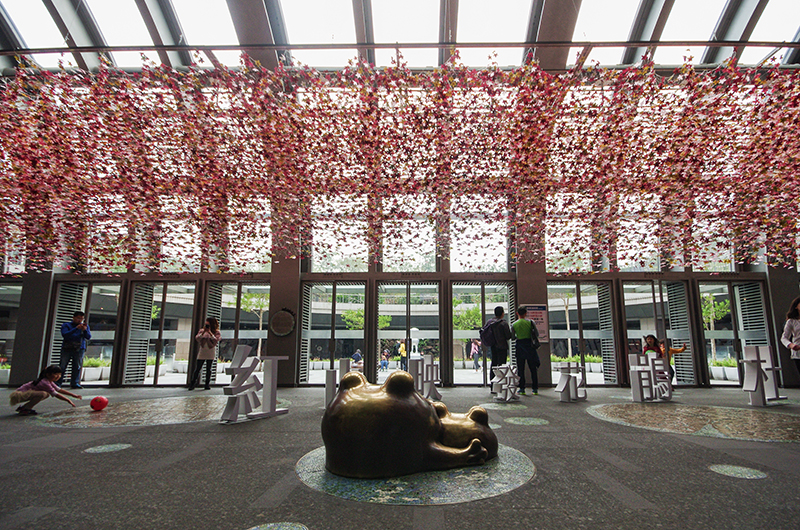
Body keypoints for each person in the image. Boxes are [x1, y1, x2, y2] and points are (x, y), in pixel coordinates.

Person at [9, 365, 82, 415]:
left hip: (23, 394)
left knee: (46, 394)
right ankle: (25, 409)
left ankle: (25, 408)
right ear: (48, 374)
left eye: (59, 374)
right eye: (56, 374)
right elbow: (56, 394)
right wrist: (68, 400)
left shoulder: (48, 381)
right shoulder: (44, 383)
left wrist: (74, 395)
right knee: (44, 394)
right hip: (18, 395)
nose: (58, 376)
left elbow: (59, 390)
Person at [512, 306, 541, 395]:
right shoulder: (531, 322)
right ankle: (535, 389)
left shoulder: (514, 324)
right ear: (525, 313)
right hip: (530, 346)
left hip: (519, 346)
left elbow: (513, 337)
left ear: (517, 314)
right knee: (533, 368)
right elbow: (537, 334)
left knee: (521, 368)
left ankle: (522, 388)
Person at [59, 311, 92, 389]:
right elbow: (65, 335)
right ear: (73, 317)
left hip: (80, 348)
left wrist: (85, 330)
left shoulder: (85, 326)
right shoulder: (66, 325)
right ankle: (58, 383)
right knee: (62, 366)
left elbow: (88, 337)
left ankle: (75, 383)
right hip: (67, 348)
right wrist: (76, 329)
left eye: (81, 319)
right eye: (78, 318)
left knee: (77, 366)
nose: (80, 320)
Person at [189, 317, 221, 390]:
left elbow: (216, 340)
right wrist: (203, 332)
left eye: (208, 322)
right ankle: (192, 383)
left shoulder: (216, 332)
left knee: (208, 369)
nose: (206, 323)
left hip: (211, 351)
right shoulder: (202, 330)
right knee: (198, 368)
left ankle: (207, 384)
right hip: (202, 350)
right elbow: (197, 338)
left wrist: (210, 332)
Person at [488, 306, 513, 379]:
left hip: (493, 346)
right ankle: (501, 382)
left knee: (494, 364)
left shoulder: (490, 323)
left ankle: (493, 383)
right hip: (502, 347)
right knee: (501, 366)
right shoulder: (504, 323)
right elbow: (508, 336)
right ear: (502, 313)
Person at [781, 296, 800, 376]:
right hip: (798, 353)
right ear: (796, 307)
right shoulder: (791, 321)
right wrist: (791, 345)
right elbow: (784, 337)